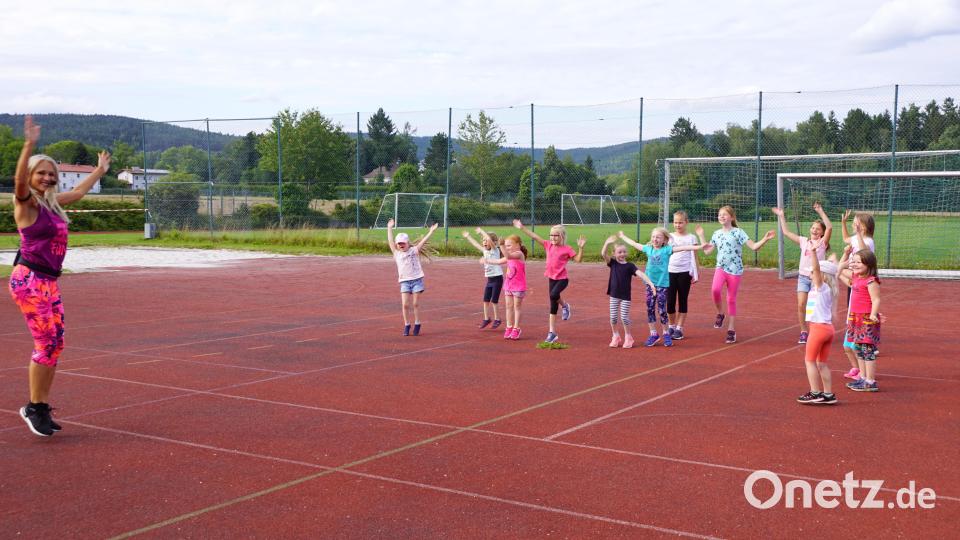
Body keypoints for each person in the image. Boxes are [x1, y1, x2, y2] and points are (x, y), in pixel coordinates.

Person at [12, 116, 111, 436]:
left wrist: (99, 171)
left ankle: (39, 405)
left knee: (56, 344)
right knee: (45, 343)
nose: (48, 177)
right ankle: (33, 407)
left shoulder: (53, 204)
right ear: (31, 176)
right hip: (29, 280)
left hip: (49, 281)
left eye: (51, 174)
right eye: (41, 173)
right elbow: (18, 182)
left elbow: (79, 192)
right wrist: (28, 145)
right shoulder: (26, 204)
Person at [697, 206, 776, 344]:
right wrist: (701, 235)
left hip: (735, 270)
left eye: (725, 214)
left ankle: (731, 330)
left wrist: (765, 239)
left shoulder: (738, 232)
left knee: (731, 299)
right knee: (715, 290)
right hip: (721, 268)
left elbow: (754, 247)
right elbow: (707, 251)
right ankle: (720, 313)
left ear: (732, 217)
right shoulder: (716, 234)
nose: (721, 216)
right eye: (720, 214)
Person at [618, 228, 702, 347]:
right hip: (650, 284)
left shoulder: (667, 250)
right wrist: (623, 236)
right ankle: (653, 334)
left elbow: (684, 248)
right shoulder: (648, 249)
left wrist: (700, 247)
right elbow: (634, 244)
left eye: (658, 237)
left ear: (664, 240)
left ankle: (666, 333)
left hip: (662, 285)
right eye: (653, 237)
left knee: (662, 310)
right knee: (650, 308)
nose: (655, 239)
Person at [513, 219, 585, 343]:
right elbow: (534, 236)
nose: (552, 237)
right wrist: (522, 227)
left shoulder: (567, 249)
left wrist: (581, 248)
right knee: (552, 305)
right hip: (551, 278)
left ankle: (565, 306)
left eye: (555, 235)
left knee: (553, 295)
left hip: (562, 279)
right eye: (551, 235)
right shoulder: (548, 245)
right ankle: (552, 333)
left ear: (561, 236)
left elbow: (578, 260)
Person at [771, 203, 832, 344]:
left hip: (817, 279)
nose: (814, 230)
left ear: (822, 233)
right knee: (801, 304)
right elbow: (786, 232)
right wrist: (781, 216)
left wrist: (820, 211)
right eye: (813, 228)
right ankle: (804, 331)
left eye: (818, 229)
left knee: (815, 307)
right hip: (803, 278)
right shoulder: (804, 241)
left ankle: (817, 330)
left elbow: (829, 227)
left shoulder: (822, 243)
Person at [795, 238, 840, 405]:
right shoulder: (827, 288)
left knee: (809, 361)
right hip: (828, 329)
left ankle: (815, 393)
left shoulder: (822, 287)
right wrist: (836, 260)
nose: (810, 274)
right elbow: (835, 270)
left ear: (822, 275)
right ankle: (828, 394)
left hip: (818, 329)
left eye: (813, 273)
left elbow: (816, 268)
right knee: (822, 363)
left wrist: (813, 252)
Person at [839, 210, 877, 379]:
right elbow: (846, 239)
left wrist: (859, 234)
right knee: (852, 303)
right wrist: (843, 223)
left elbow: (863, 252)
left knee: (860, 303)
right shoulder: (855, 238)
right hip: (855, 277)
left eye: (856, 222)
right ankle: (860, 371)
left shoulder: (868, 241)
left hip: (861, 278)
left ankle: (866, 375)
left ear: (863, 226)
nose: (853, 224)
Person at [838, 246, 882, 392]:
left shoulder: (871, 281)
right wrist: (845, 258)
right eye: (854, 262)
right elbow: (840, 269)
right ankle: (862, 378)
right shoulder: (856, 277)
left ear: (869, 264)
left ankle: (870, 381)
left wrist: (874, 314)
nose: (855, 265)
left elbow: (876, 299)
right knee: (858, 349)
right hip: (855, 318)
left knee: (867, 350)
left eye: (859, 262)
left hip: (866, 319)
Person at [601, 236, 656, 348]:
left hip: (625, 296)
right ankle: (615, 336)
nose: (622, 254)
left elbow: (641, 274)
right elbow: (603, 254)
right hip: (614, 295)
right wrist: (606, 243)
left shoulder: (630, 266)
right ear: (614, 254)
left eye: (624, 252)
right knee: (613, 318)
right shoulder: (613, 263)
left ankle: (628, 337)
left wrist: (650, 283)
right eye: (619, 252)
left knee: (624, 317)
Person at [387, 219, 439, 336]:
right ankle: (407, 325)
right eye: (399, 244)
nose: (401, 245)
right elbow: (390, 240)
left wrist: (431, 231)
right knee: (405, 304)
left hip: (416, 280)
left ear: (407, 243)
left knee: (415, 303)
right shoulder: (397, 254)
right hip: (404, 282)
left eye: (403, 243)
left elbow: (423, 241)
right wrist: (389, 228)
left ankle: (417, 323)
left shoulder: (414, 250)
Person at [666, 210, 701, 341]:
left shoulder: (692, 238)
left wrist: (696, 273)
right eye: (675, 222)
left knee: (682, 300)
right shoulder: (669, 237)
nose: (677, 225)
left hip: (685, 272)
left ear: (686, 222)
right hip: (670, 272)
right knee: (670, 301)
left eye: (680, 222)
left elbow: (695, 257)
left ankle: (679, 328)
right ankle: (671, 326)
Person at [485, 234, 527, 340]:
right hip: (509, 285)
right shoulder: (509, 255)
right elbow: (498, 261)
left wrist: (502, 245)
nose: (507, 247)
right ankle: (509, 327)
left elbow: (508, 256)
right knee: (508, 306)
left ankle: (516, 328)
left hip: (518, 286)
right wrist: (487, 260)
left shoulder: (519, 254)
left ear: (518, 245)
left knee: (517, 307)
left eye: (509, 245)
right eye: (506, 245)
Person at [462, 227, 503, 330]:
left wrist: (481, 232)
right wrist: (468, 237)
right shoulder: (485, 251)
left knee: (494, 301)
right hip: (490, 280)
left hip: (497, 279)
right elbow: (476, 244)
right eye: (483, 240)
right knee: (485, 300)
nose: (484, 242)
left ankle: (497, 319)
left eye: (486, 240)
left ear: (493, 242)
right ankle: (486, 319)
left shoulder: (495, 250)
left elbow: (489, 239)